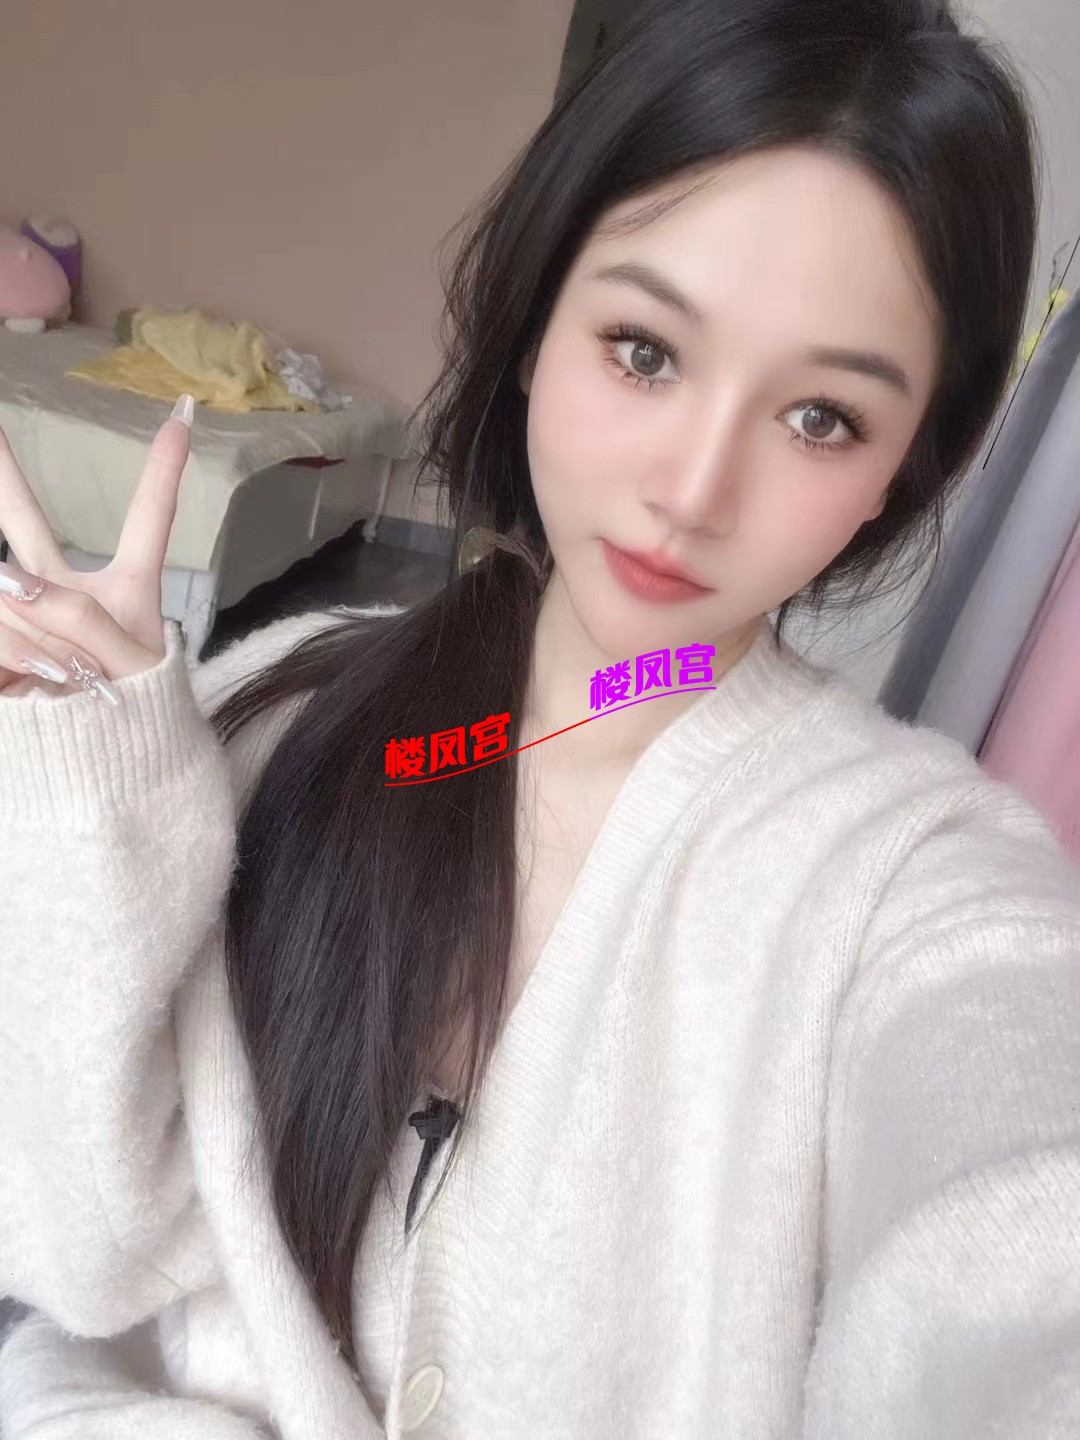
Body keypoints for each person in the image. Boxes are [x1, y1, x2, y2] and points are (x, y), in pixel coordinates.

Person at [1, 0, 1078, 1435]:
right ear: (534, 329)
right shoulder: (292, 713)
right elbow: (83, 1263)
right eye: (645, 350)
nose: (692, 490)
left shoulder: (910, 874)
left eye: (821, 416)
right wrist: (90, 807)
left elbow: (1020, 1215)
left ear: (901, 471)